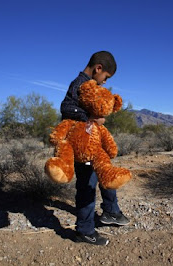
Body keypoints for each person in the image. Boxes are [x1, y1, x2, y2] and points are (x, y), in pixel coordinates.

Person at [60, 51, 130, 246]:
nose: (105, 82)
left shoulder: (89, 85)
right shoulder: (80, 84)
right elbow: (66, 107)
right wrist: (89, 118)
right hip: (82, 146)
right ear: (98, 68)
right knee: (87, 186)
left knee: (105, 171)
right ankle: (85, 231)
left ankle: (111, 211)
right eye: (106, 77)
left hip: (93, 143)